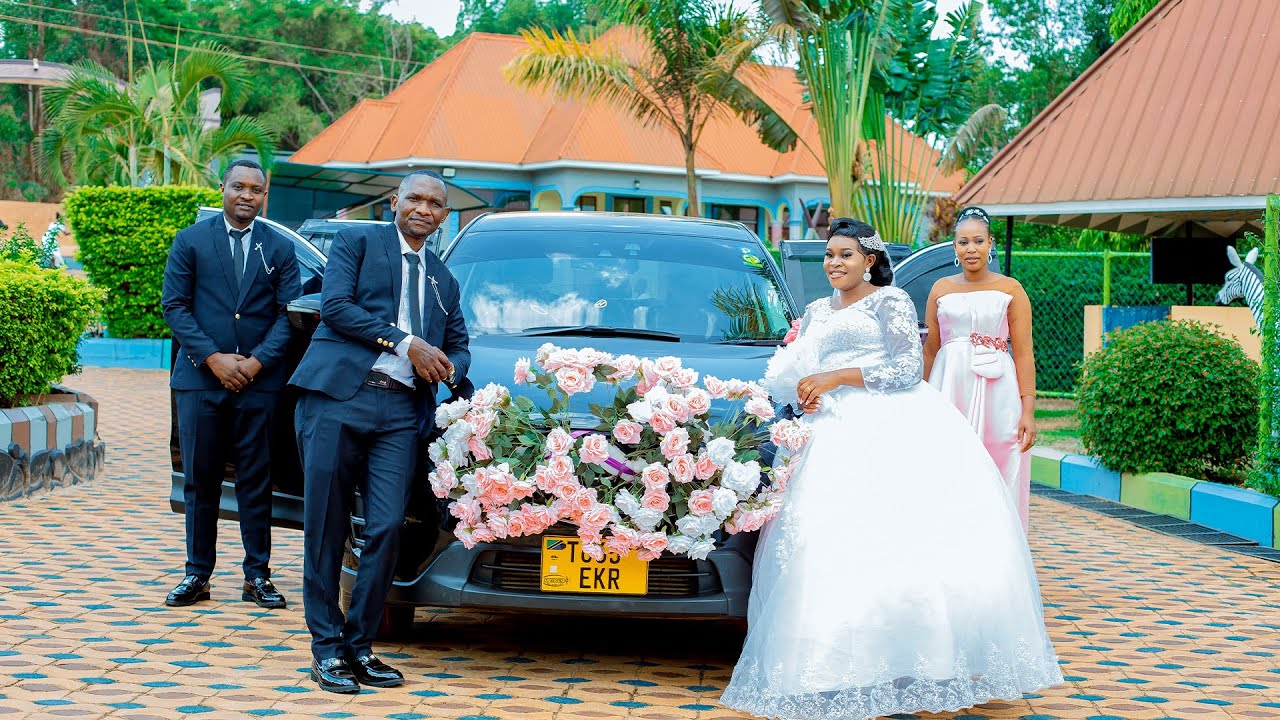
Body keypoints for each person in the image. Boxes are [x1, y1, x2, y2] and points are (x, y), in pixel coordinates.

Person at [720, 218, 1061, 720]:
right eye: (829, 255)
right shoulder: (815, 310)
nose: (835, 263)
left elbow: (905, 368)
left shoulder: (891, 301)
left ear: (870, 260)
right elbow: (801, 366)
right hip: (829, 432)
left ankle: (919, 657)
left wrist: (836, 376)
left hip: (893, 426)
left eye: (846, 255)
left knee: (902, 539)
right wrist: (805, 389)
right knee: (825, 544)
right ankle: (836, 666)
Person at [290, 170, 470, 694]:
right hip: (336, 399)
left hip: (397, 412)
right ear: (395, 202)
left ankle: (359, 646)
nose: (424, 209)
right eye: (414, 198)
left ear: (443, 215)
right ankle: (326, 649)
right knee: (325, 526)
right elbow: (335, 306)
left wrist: (449, 369)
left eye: (435, 204)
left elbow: (458, 345)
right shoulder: (358, 240)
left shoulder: (443, 278)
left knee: (389, 526)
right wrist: (404, 342)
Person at [160, 159, 301, 610]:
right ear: (222, 189)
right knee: (199, 481)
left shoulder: (279, 248)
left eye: (255, 190)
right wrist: (214, 359)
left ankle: (256, 576)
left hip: (259, 385)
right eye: (238, 186)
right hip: (200, 382)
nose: (246, 195)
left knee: (256, 482)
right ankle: (196, 574)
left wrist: (256, 363)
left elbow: (288, 315)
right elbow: (175, 306)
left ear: (265, 196)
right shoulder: (190, 241)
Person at [923, 205, 1037, 531]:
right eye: (962, 242)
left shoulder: (1011, 289)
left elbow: (1025, 353)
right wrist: (920, 399)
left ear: (990, 244)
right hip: (949, 388)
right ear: (954, 247)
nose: (970, 249)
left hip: (999, 391)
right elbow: (930, 350)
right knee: (947, 459)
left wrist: (1028, 410)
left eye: (977, 241)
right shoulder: (941, 289)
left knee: (1002, 456)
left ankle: (1002, 541)